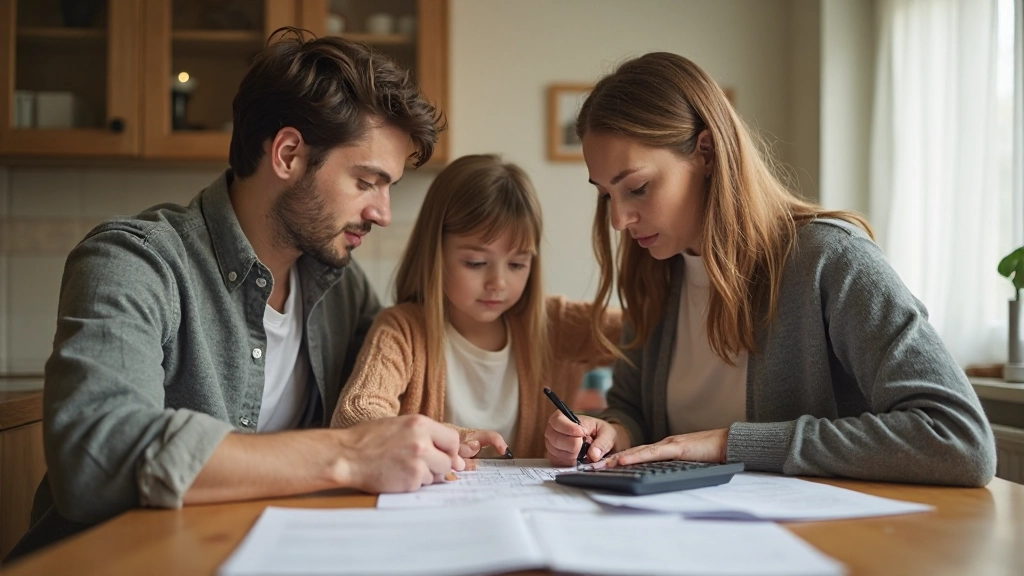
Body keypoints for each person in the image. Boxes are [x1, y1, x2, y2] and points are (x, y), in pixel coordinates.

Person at [6, 29, 465, 563]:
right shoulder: (134, 262)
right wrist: (347, 454)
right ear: (289, 154)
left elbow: (385, 398)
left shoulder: (339, 284)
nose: (382, 212)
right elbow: (96, 456)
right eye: (367, 181)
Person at [544, 52, 997, 487]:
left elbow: (958, 438)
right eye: (606, 195)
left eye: (637, 188)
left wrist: (729, 444)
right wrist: (611, 433)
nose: (619, 220)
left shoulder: (830, 260)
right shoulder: (654, 273)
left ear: (705, 152)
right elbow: (631, 410)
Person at [331, 154, 621, 458]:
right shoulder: (402, 330)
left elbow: (649, 326)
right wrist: (452, 437)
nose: (498, 282)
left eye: (517, 264)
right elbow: (354, 416)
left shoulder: (554, 324)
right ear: (435, 254)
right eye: (476, 262)